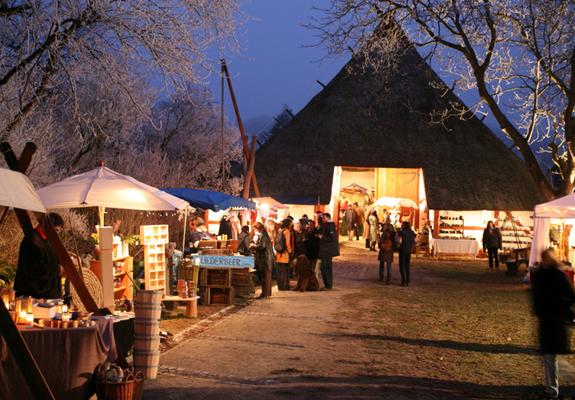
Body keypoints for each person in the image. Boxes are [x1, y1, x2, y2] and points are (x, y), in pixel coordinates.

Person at [531, 249, 575, 399]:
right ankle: (552, 389)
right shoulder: (544, 274)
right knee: (549, 357)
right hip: (549, 320)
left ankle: (553, 389)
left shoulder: (555, 275)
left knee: (550, 356)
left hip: (554, 321)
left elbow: (569, 296)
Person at [14, 213, 64, 299]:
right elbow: (36, 270)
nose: (57, 234)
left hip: (45, 294)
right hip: (34, 296)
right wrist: (59, 269)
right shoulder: (32, 241)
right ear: (47, 227)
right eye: (56, 230)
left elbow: (51, 259)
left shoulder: (46, 240)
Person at [250, 222, 274, 298]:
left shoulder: (263, 235)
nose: (254, 230)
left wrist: (253, 246)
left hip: (264, 259)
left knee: (264, 277)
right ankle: (266, 293)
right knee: (266, 277)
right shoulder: (264, 234)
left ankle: (264, 294)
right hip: (267, 258)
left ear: (258, 228)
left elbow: (262, 246)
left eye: (255, 229)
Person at [318, 213, 339, 289]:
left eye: (324, 218)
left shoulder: (330, 226)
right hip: (326, 250)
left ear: (328, 218)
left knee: (325, 267)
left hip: (327, 250)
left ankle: (328, 284)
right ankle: (328, 284)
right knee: (327, 267)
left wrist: (322, 238)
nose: (323, 219)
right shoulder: (326, 225)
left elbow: (332, 238)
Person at [275, 218, 293, 290]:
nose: (291, 225)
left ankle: (280, 286)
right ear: (288, 224)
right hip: (284, 254)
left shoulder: (280, 230)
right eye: (291, 223)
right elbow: (287, 243)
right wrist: (290, 251)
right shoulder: (287, 231)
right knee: (285, 271)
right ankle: (284, 286)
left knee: (280, 271)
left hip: (278, 253)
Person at [398, 221, 416, 287]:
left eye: (402, 224)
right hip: (409, 250)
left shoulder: (401, 232)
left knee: (402, 266)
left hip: (403, 250)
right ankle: (408, 279)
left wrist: (398, 247)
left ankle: (404, 281)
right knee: (407, 265)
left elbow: (398, 240)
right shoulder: (412, 233)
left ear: (404, 225)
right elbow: (414, 241)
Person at [378, 218, 395, 284]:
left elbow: (381, 241)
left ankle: (381, 277)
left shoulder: (385, 233)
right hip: (390, 250)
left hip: (384, 250)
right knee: (389, 265)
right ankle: (388, 278)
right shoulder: (393, 234)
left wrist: (381, 245)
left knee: (382, 264)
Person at [304, 221, 322, 287]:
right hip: (309, 253)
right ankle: (310, 282)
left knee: (314, 269)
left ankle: (314, 283)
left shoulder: (315, 232)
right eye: (308, 224)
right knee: (310, 268)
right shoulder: (308, 231)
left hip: (314, 253)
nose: (308, 225)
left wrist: (305, 242)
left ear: (312, 225)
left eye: (309, 224)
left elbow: (314, 243)